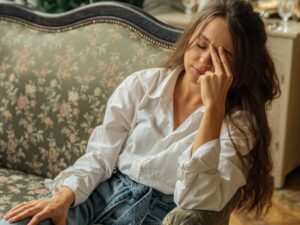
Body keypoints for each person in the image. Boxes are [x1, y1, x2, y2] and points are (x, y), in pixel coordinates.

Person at [0, 0, 280, 224]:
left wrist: (214, 110)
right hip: (102, 195)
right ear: (188, 41)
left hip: (164, 214)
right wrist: (65, 195)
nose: (205, 61)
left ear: (241, 66)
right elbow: (100, 155)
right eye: (201, 45)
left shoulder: (241, 124)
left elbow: (196, 199)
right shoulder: (142, 85)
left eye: (222, 56)